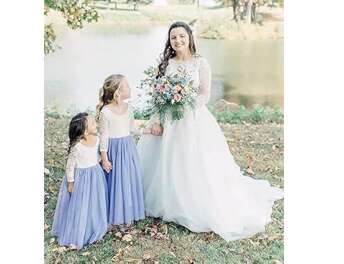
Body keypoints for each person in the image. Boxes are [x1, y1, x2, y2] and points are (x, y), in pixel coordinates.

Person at [137, 21, 283, 241]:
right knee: (164, 158)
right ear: (169, 41)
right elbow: (158, 95)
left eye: (181, 36)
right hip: (169, 118)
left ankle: (191, 201)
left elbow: (204, 94)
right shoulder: (167, 64)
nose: (177, 41)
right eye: (173, 37)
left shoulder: (200, 63)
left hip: (192, 119)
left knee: (194, 160)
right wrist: (158, 119)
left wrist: (185, 104)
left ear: (189, 38)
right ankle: (165, 197)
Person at [96, 74, 161, 225]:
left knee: (127, 178)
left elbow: (132, 128)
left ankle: (127, 210)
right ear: (118, 91)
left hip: (127, 148)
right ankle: (113, 212)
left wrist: (149, 130)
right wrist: (104, 159)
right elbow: (103, 136)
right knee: (115, 180)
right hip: (113, 150)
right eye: (126, 85)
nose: (130, 87)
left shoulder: (128, 108)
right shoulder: (106, 112)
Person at [52, 113, 109, 250]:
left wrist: (103, 161)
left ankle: (94, 224)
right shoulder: (77, 147)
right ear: (84, 130)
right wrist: (71, 182)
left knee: (95, 202)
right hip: (82, 180)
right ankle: (79, 230)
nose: (95, 124)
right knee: (82, 204)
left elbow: (96, 156)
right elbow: (70, 166)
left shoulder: (96, 139)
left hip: (95, 176)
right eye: (92, 123)